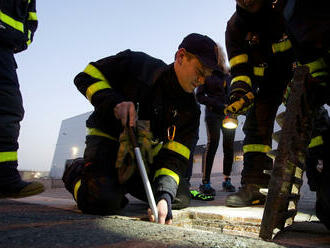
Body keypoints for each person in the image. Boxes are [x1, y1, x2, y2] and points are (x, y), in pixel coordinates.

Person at [62, 33, 219, 224]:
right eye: (200, 71)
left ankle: (124, 185)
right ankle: (75, 172)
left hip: (142, 158)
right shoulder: (137, 65)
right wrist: (114, 102)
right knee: (101, 201)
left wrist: (164, 197)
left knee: (178, 196)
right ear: (181, 57)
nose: (201, 80)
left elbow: (174, 159)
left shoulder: (190, 112)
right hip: (109, 144)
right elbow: (85, 76)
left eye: (207, 76)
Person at [224, 0, 295, 207]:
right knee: (255, 127)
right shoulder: (235, 27)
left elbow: (307, 37)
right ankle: (253, 187)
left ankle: (322, 179)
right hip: (264, 83)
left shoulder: (285, 6)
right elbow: (240, 70)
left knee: (310, 120)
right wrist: (240, 92)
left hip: (297, 72)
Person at [0, 0, 44, 198]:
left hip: (4, 50)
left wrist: (17, 39)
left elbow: (30, 23)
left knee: (9, 109)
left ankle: (4, 175)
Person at [196, 45, 236, 196]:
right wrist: (217, 104)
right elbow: (199, 96)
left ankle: (227, 180)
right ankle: (205, 182)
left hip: (228, 115)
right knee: (212, 144)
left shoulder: (228, 75)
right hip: (213, 114)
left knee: (229, 146)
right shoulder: (207, 74)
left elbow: (232, 95)